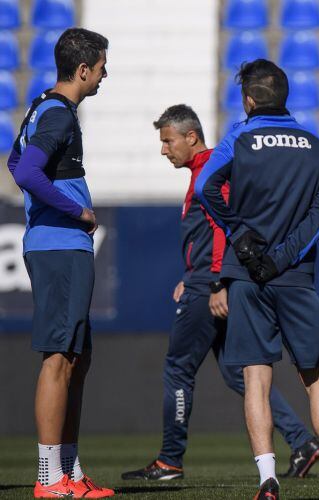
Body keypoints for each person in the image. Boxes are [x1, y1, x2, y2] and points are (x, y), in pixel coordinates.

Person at [121, 105, 319, 481]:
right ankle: (301, 441)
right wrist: (193, 273)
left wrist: (215, 281)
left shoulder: (211, 170)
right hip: (205, 279)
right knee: (237, 372)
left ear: (191, 137)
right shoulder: (204, 169)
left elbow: (222, 226)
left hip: (212, 284)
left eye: (168, 141)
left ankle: (169, 460)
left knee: (178, 368)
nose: (164, 150)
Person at [195, 59, 319, 500]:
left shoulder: (240, 137)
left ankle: (267, 482)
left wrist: (242, 239)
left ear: (249, 99)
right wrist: (283, 257)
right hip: (295, 276)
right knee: (315, 375)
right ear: (284, 96)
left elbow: (205, 189)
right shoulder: (317, 146)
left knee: (256, 377)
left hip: (246, 274)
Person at [6, 27, 115, 499]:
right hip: (59, 245)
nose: (105, 75)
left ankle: (69, 471)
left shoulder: (43, 106)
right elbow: (26, 173)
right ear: (84, 69)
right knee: (59, 357)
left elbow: (14, 162)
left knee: (76, 357)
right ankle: (49, 478)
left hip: (59, 244)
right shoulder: (57, 114)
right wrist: (78, 210)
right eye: (102, 67)